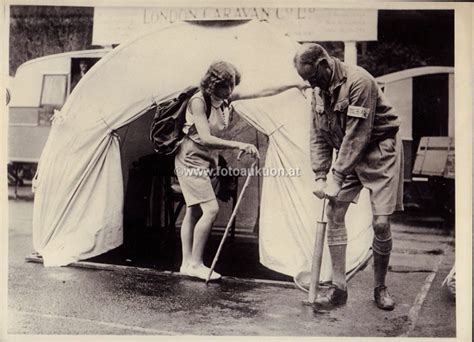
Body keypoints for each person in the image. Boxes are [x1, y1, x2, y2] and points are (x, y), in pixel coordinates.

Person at [293, 44, 403, 310]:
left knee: (380, 223)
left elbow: (359, 135)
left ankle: (380, 287)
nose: (310, 84)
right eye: (306, 80)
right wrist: (321, 175)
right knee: (334, 212)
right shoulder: (317, 91)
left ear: (324, 64)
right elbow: (318, 135)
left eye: (312, 77)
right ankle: (338, 289)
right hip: (348, 152)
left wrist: (337, 176)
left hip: (378, 149)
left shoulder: (359, 82)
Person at [176, 61, 307, 281]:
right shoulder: (199, 101)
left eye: (232, 86)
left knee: (194, 210)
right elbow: (206, 138)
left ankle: (186, 263)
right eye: (225, 86)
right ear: (212, 84)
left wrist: (294, 84)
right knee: (210, 209)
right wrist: (240, 145)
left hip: (205, 160)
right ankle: (195, 263)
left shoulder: (224, 99)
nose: (229, 91)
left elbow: (262, 92)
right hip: (190, 159)